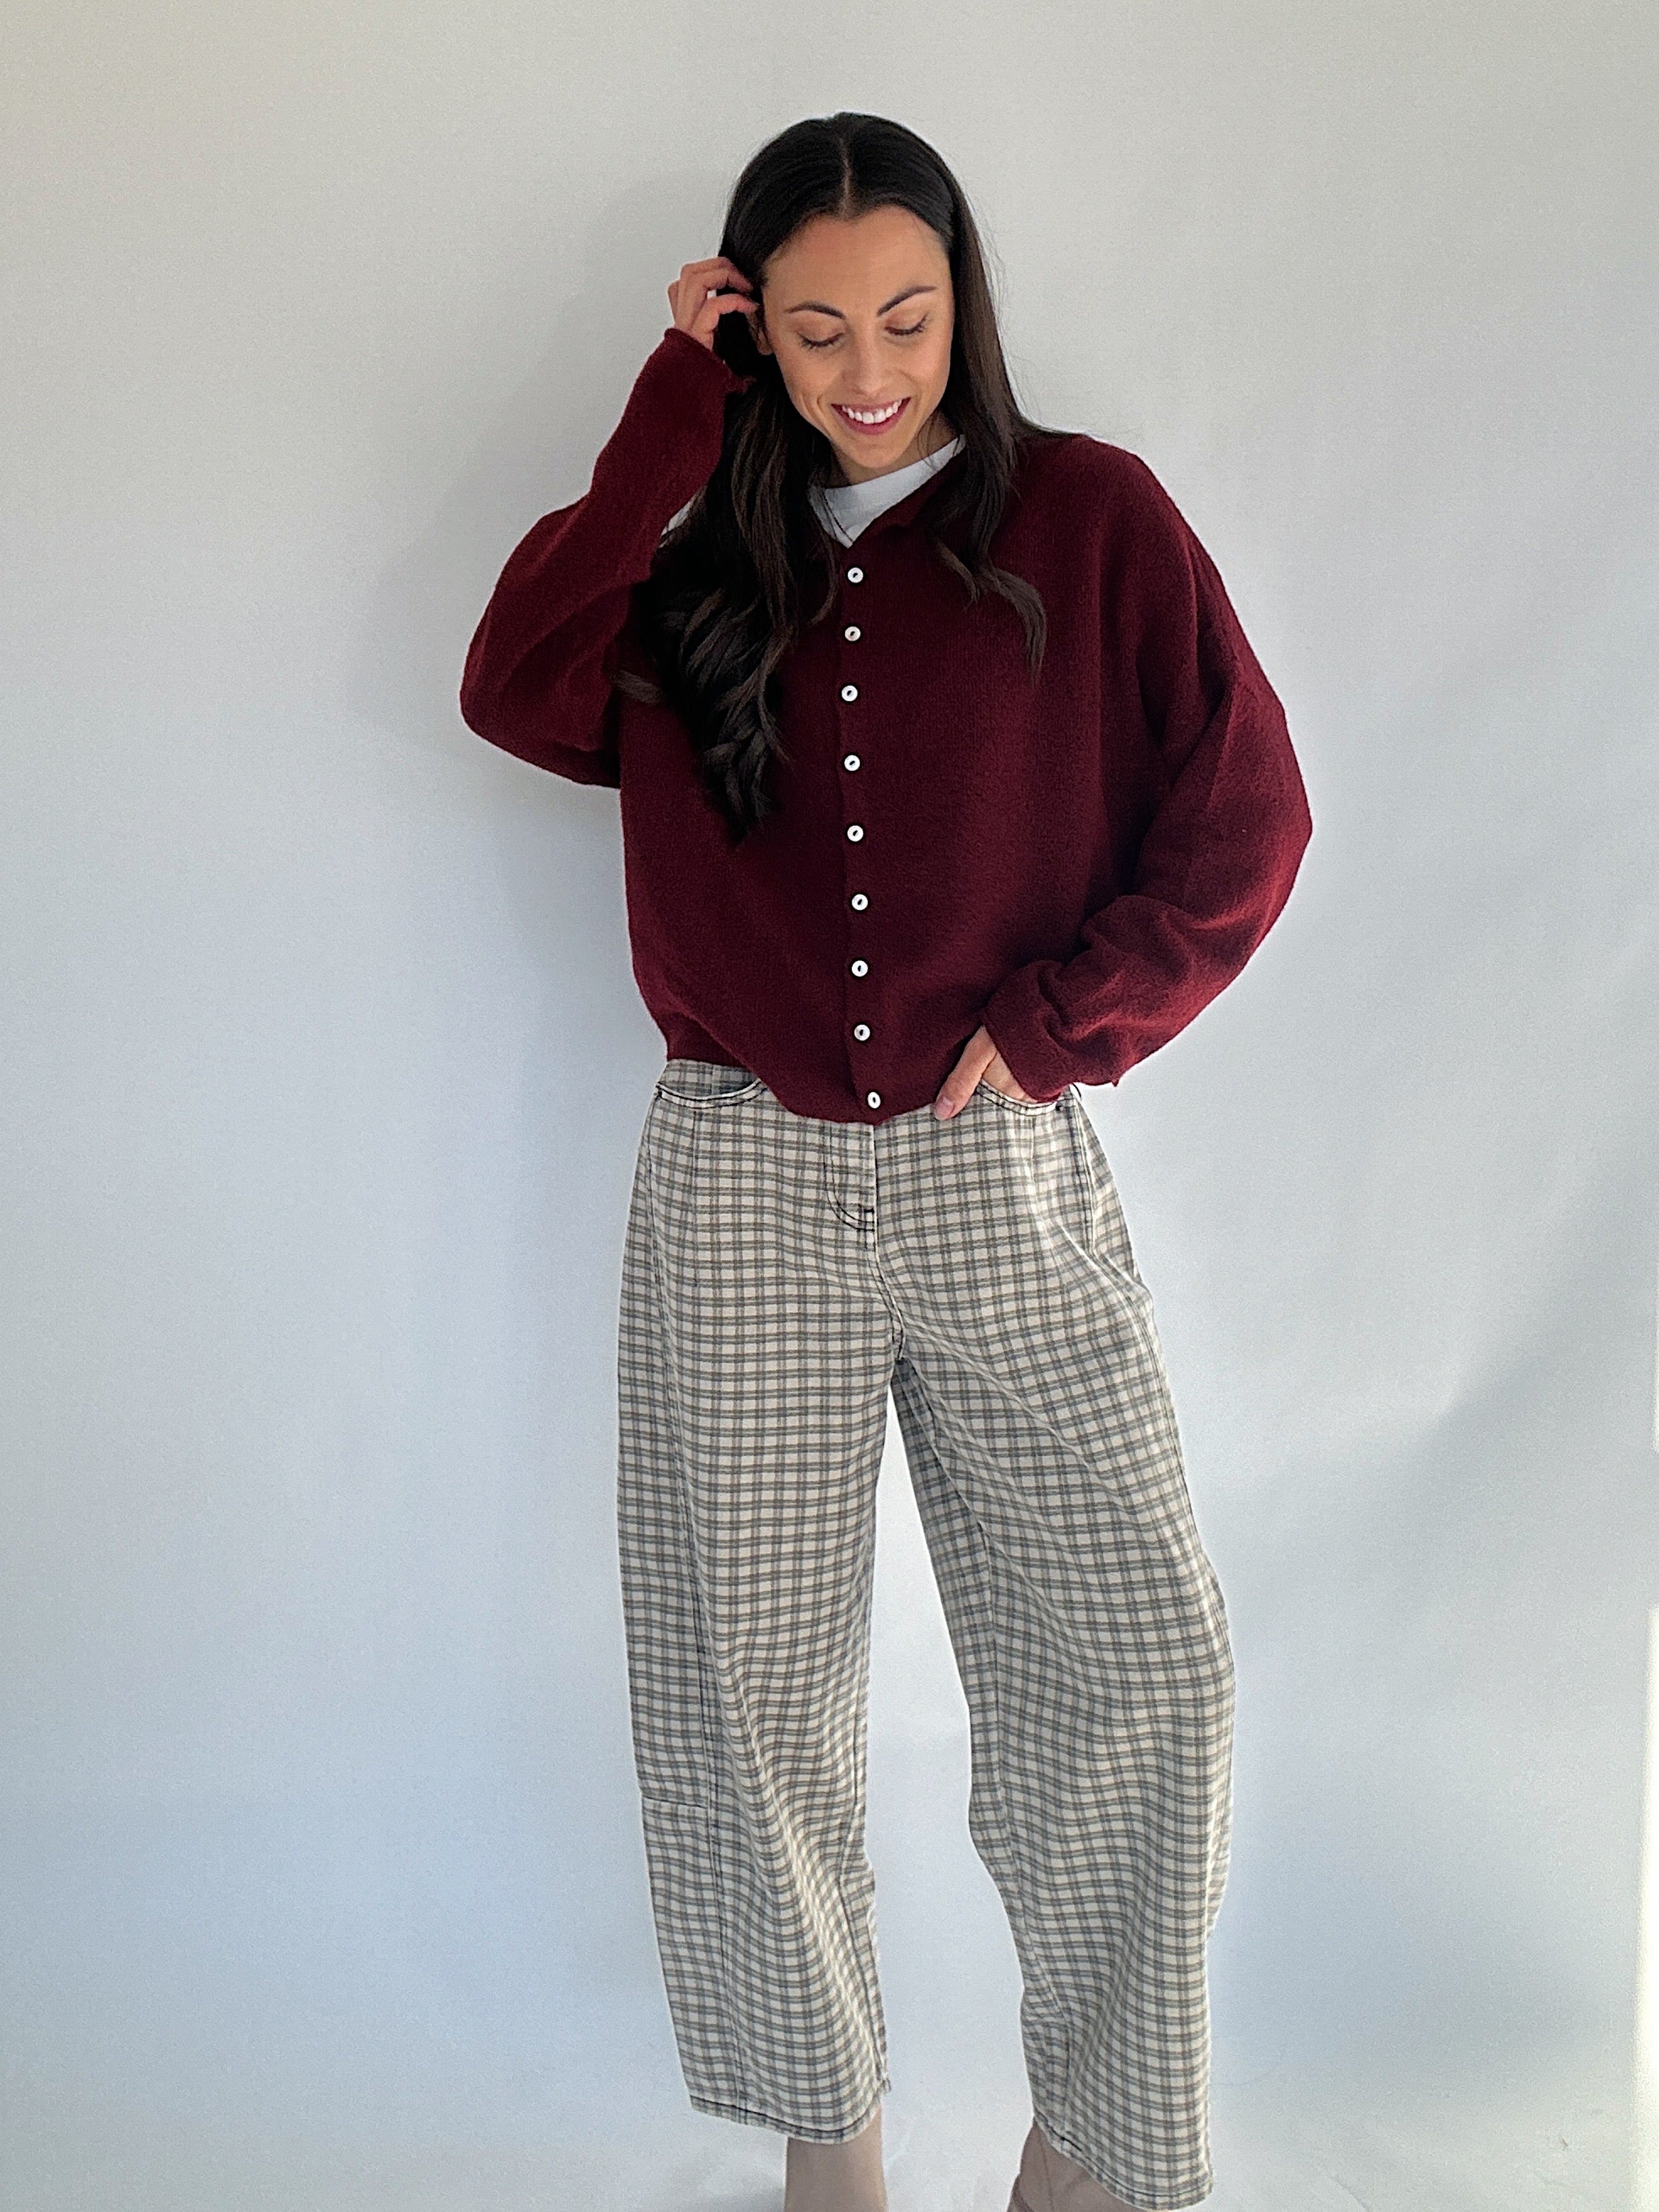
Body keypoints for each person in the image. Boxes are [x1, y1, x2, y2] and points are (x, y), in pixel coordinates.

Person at [459, 110, 1311, 2212]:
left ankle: (1091, 2156)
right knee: (746, 1704)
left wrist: (1053, 1029)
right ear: (752, 325)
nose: (867, 369)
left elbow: (1247, 820)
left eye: (908, 320)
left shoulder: (1094, 522)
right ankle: (825, 2153)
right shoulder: (689, 553)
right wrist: (680, 407)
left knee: (1139, 1671)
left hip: (1001, 1175)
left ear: (966, 307)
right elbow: (511, 689)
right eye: (815, 327)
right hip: (739, 1176)